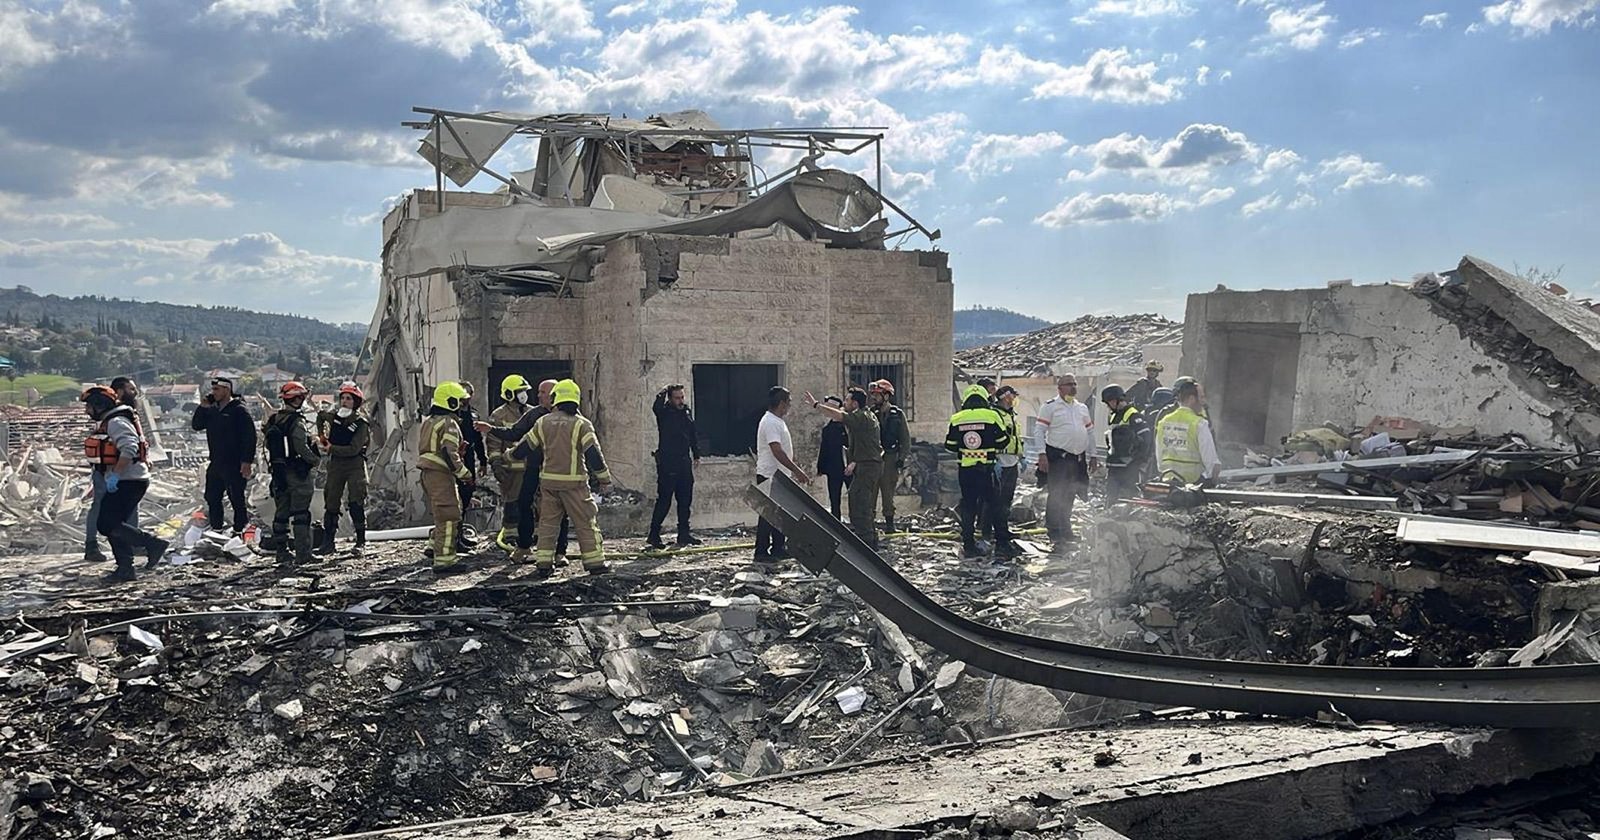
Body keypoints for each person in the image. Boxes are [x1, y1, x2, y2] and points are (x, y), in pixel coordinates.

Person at [512, 379, 611, 575]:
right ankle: (595, 563)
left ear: (556, 399)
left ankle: (543, 564)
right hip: (574, 484)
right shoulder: (581, 424)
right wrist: (604, 479)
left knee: (548, 524)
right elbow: (594, 455)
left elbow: (524, 447)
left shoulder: (543, 422)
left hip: (549, 483)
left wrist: (509, 456)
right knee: (585, 523)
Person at [81, 386, 167, 582]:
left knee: (107, 522)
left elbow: (129, 448)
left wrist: (115, 476)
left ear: (99, 405)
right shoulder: (112, 420)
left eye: (89, 406)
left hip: (129, 480)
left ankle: (152, 545)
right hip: (127, 480)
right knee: (109, 524)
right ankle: (125, 567)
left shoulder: (116, 422)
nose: (87, 411)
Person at [477, 378, 569, 562]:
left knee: (559, 510)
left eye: (543, 392)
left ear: (554, 395)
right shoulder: (533, 415)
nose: (537, 395)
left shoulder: (571, 417)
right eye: (539, 392)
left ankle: (559, 552)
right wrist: (492, 432)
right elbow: (515, 433)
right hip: (532, 468)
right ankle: (524, 546)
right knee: (523, 504)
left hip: (556, 470)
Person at [806, 387, 882, 549]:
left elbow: (838, 415)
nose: (844, 404)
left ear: (855, 404)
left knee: (860, 504)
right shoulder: (864, 416)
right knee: (859, 501)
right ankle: (869, 540)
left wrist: (816, 405)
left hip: (867, 466)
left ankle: (866, 543)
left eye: (846, 401)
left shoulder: (861, 417)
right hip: (864, 465)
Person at [946, 384, 1011, 559]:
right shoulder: (992, 416)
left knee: (968, 506)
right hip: (987, 469)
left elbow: (950, 445)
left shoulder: (957, 418)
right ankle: (1002, 544)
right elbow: (1003, 441)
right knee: (995, 505)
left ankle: (968, 544)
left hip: (966, 472)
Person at [83, 377, 143, 562]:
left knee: (128, 509)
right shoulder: (114, 418)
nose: (135, 393)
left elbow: (133, 443)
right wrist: (114, 474)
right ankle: (94, 546)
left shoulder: (120, 416)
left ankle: (133, 547)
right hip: (108, 471)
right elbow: (124, 445)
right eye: (131, 389)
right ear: (119, 392)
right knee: (102, 509)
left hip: (122, 471)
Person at [263, 381, 321, 565]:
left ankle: (282, 552)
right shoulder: (296, 422)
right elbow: (301, 447)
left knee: (281, 514)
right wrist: (315, 460)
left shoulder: (274, 420)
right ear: (298, 399)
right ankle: (303, 555)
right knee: (301, 514)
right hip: (297, 473)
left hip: (279, 473)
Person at [418, 381, 473, 573]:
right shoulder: (449, 423)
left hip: (428, 474)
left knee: (440, 512)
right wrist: (464, 473)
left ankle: (434, 547)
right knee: (449, 515)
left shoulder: (429, 421)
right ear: (451, 402)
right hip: (440, 474)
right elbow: (449, 452)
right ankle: (445, 560)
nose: (463, 407)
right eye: (460, 402)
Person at [1035, 374, 1096, 545]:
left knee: (1070, 494)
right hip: (1059, 459)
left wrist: (1093, 455)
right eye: (1069, 384)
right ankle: (1054, 531)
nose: (1073, 388)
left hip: (1077, 459)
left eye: (1074, 384)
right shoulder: (1050, 407)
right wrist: (1041, 454)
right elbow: (1039, 431)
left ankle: (1066, 529)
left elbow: (1090, 433)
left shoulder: (1081, 408)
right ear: (1060, 388)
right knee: (1057, 494)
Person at [191, 377, 256, 536]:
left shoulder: (239, 410)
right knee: (212, 496)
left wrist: (246, 461)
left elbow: (250, 437)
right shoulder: (212, 410)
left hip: (234, 462)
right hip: (216, 461)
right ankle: (216, 529)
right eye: (213, 389)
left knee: (236, 498)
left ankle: (240, 530)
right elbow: (196, 425)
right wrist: (202, 407)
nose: (213, 393)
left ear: (227, 390)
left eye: (217, 389)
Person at [754, 386, 808, 562]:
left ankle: (778, 548)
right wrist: (797, 470)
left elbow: (784, 449)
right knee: (768, 515)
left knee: (779, 515)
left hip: (780, 475)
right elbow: (777, 450)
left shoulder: (777, 421)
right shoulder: (770, 422)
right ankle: (761, 552)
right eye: (789, 403)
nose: (790, 407)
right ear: (782, 403)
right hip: (770, 474)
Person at [316, 382, 370, 555]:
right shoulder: (334, 417)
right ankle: (328, 542)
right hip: (336, 464)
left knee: (356, 500)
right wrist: (323, 439)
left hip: (354, 464)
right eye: (343, 398)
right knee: (331, 501)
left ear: (356, 402)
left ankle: (360, 541)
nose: (345, 402)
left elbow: (354, 448)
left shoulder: (360, 423)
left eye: (349, 399)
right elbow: (320, 417)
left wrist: (330, 447)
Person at [647, 383, 701, 549]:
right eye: (677, 398)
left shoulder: (686, 412)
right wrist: (663, 390)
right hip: (668, 462)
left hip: (684, 461)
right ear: (670, 399)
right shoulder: (664, 413)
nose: (680, 401)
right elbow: (655, 406)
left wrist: (696, 453)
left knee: (685, 500)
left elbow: (692, 434)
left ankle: (684, 534)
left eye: (682, 397)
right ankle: (654, 535)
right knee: (664, 500)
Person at [486, 374, 534, 552]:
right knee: (512, 501)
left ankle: (529, 533)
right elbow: (493, 443)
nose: (523, 395)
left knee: (532, 502)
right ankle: (510, 533)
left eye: (524, 391)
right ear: (509, 394)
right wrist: (496, 464)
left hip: (531, 467)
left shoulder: (532, 412)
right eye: (520, 391)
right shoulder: (498, 415)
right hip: (511, 469)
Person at [1156, 378, 1223, 485]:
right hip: (1193, 487)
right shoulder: (1199, 424)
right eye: (1201, 397)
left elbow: (1160, 460)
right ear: (1192, 399)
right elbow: (1212, 463)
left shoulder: (1163, 422)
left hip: (1168, 483)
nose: (1204, 401)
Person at [869, 379, 912, 533]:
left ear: (886, 396)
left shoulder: (897, 415)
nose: (874, 398)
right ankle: (869, 525)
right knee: (871, 493)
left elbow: (905, 439)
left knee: (888, 493)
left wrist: (901, 459)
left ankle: (890, 524)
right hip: (873, 459)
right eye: (873, 395)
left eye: (877, 395)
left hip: (890, 457)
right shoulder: (870, 414)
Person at [983, 385, 1024, 545]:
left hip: (1012, 462)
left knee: (1006, 499)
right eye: (1013, 396)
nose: (1014, 399)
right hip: (998, 461)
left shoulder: (1011, 415)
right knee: (993, 500)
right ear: (1005, 397)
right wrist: (993, 460)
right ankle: (986, 531)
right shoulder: (994, 414)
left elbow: (1016, 438)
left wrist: (1022, 457)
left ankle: (1002, 531)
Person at [1101, 384, 1152, 503]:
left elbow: (1146, 440)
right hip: (1114, 466)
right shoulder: (1114, 416)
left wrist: (1138, 461)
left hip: (1129, 469)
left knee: (1127, 501)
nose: (1108, 407)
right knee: (1111, 500)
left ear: (1114, 400)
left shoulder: (1133, 415)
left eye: (1108, 403)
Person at [454, 381, 487, 550]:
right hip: (454, 460)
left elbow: (478, 440)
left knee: (466, 497)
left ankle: (460, 535)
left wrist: (483, 461)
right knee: (454, 501)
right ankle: (453, 538)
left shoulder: (473, 415)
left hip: (468, 460)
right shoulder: (452, 414)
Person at [815, 395, 850, 519]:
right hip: (833, 469)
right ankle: (837, 524)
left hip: (849, 468)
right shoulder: (827, 429)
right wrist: (821, 467)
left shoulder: (848, 425)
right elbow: (824, 449)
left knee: (854, 497)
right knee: (834, 498)